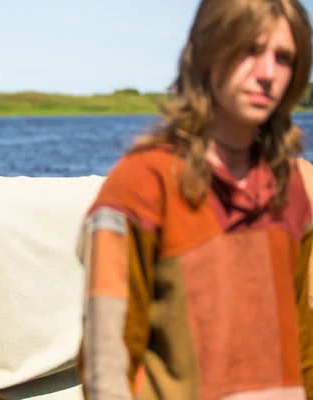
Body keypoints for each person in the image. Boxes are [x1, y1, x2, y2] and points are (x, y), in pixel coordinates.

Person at [77, 0, 313, 399]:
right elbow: (107, 366)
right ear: (208, 50)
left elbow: (302, 347)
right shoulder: (141, 186)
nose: (268, 73)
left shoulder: (289, 190)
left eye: (284, 57)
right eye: (249, 50)